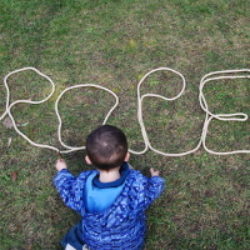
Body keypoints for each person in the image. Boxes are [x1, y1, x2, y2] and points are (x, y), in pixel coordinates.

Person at [53, 125, 165, 250]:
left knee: (76, 233)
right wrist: (155, 179)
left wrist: (62, 171)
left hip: (96, 242)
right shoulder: (137, 184)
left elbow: (66, 188)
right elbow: (152, 192)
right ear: (127, 156)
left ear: (88, 160)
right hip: (130, 243)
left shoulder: (81, 185)